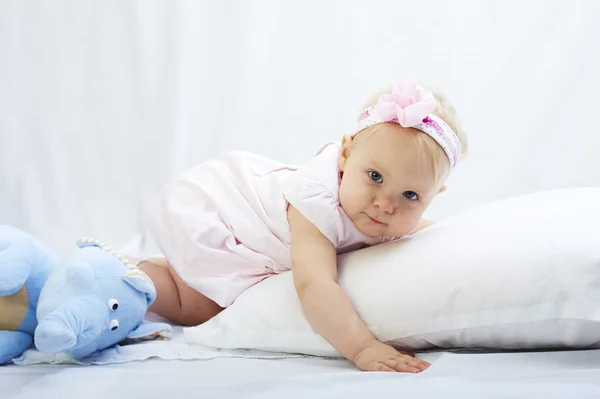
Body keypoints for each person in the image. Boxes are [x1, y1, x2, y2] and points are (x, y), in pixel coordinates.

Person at [138, 80, 468, 373]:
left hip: (254, 225)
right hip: (220, 209)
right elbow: (313, 284)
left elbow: (430, 234)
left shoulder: (388, 213)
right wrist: (363, 347)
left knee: (199, 289)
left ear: (433, 196)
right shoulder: (316, 203)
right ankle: (128, 276)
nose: (385, 203)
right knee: (201, 307)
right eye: (375, 177)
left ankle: (151, 271)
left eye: (410, 195)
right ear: (346, 154)